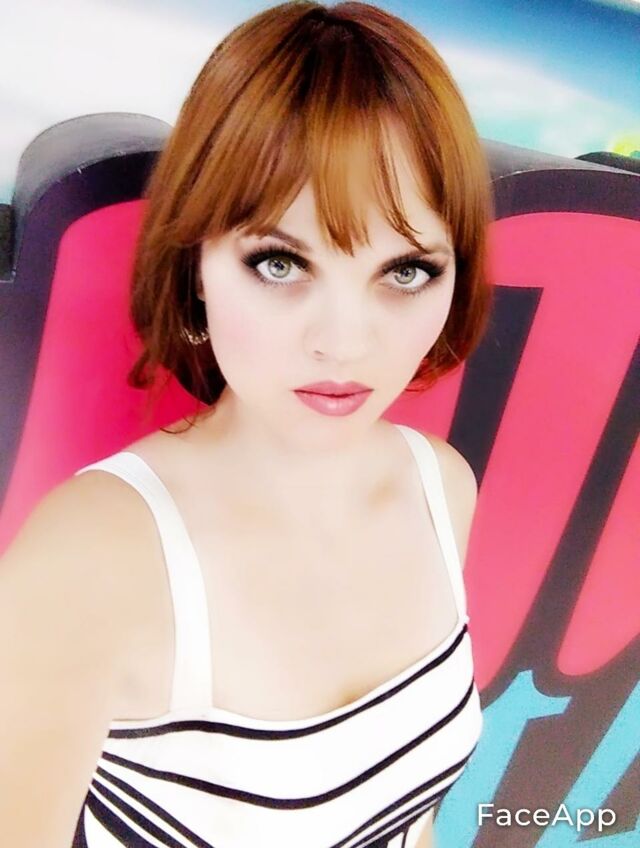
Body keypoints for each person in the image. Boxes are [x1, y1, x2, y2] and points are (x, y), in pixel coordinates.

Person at [0, 1, 494, 846]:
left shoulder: (440, 486)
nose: (345, 342)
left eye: (407, 271)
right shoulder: (95, 557)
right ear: (196, 263)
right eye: (280, 262)